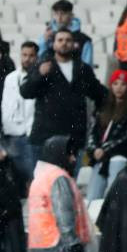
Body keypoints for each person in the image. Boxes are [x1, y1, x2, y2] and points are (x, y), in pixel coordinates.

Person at [21, 29, 108, 166]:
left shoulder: (83, 69)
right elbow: (26, 92)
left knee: (70, 183)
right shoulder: (42, 66)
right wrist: (39, 74)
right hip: (45, 137)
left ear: (73, 44)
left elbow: (99, 93)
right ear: (54, 44)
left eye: (68, 40)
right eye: (60, 40)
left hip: (73, 139)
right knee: (45, 183)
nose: (64, 43)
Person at [86, 70, 127, 201]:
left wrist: (104, 150)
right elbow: (92, 131)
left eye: (123, 84)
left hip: (120, 157)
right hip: (100, 158)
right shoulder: (103, 106)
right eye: (115, 83)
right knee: (92, 197)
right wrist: (93, 149)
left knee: (114, 195)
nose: (119, 87)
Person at [1, 41, 38, 183]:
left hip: (31, 133)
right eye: (24, 55)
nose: (27, 59)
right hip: (13, 134)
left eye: (31, 55)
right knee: (18, 177)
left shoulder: (40, 77)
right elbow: (6, 105)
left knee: (32, 175)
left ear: (36, 57)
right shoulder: (10, 78)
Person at [37, 0, 94, 67]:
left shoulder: (83, 40)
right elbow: (41, 63)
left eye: (63, 13)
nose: (59, 18)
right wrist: (44, 43)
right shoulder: (45, 37)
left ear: (71, 15)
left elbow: (87, 67)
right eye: (56, 14)